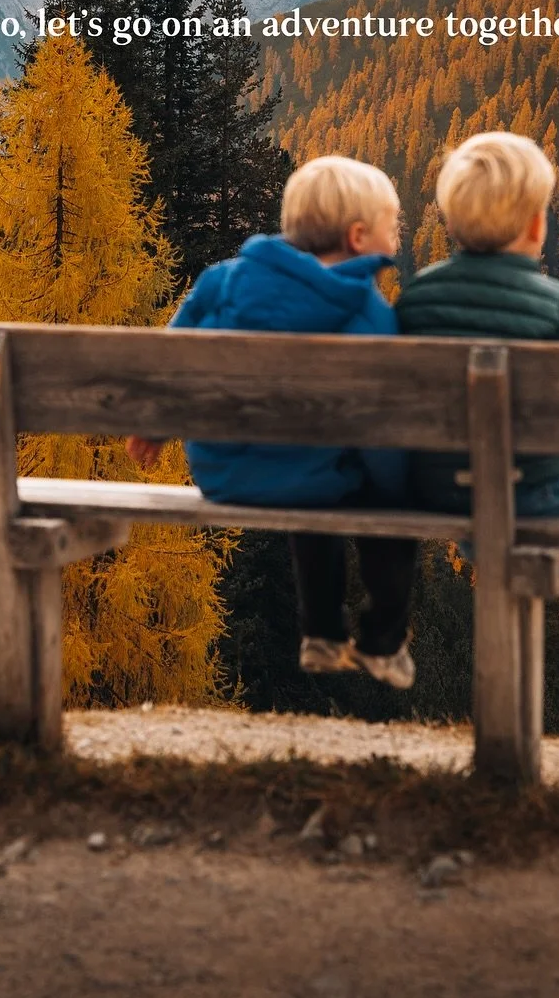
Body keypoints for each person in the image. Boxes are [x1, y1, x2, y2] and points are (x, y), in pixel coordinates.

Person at [127, 155, 417, 689]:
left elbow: (171, 355)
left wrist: (157, 421)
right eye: (391, 222)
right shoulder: (366, 311)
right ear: (357, 237)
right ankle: (381, 640)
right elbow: (381, 425)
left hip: (222, 473)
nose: (398, 233)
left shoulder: (222, 281)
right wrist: (400, 486)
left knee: (306, 475)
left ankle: (323, 635)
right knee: (355, 496)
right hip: (310, 480)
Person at [396, 131, 559, 518]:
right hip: (533, 490)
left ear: (452, 227)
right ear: (537, 227)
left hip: (435, 487)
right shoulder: (558, 305)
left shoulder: (417, 297)